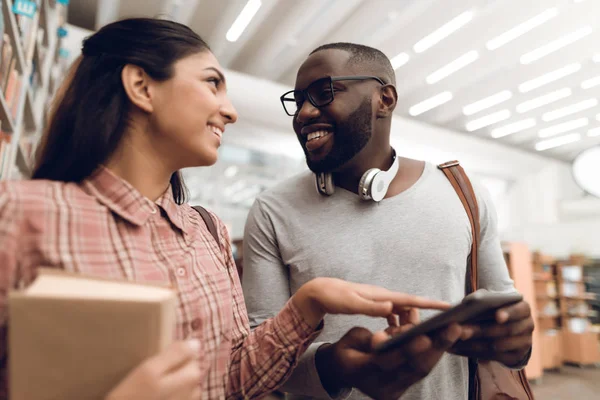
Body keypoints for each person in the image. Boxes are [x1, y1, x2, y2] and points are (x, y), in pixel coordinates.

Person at [0, 20, 461, 400]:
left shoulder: (207, 231)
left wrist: (308, 303)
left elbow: (233, 379)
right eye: (212, 83)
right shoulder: (19, 216)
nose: (230, 111)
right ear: (141, 86)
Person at [242, 42, 535, 399]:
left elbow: (508, 330)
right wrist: (334, 366)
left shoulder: (463, 191)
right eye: (299, 99)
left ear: (385, 99)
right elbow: (260, 360)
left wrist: (515, 342)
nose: (303, 113)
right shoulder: (272, 209)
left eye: (323, 93)